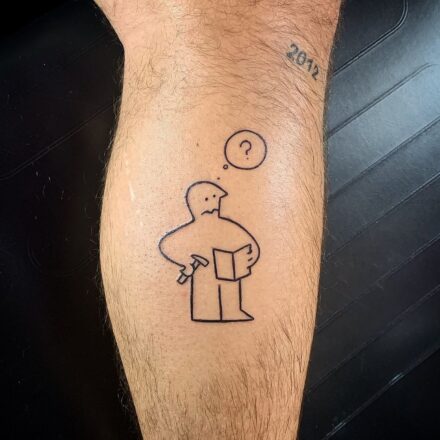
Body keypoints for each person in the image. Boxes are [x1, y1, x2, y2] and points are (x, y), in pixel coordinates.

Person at [96, 0, 342, 438]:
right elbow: (171, 245)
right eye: (209, 197)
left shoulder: (225, 227)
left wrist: (243, 260)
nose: (214, 202)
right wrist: (194, 261)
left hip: (229, 285)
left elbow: (248, 245)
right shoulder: (194, 230)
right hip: (206, 291)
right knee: (249, 25)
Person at [159, 181, 260, 322]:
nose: (212, 205)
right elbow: (167, 245)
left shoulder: (229, 227)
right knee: (206, 299)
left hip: (230, 271)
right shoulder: (191, 230)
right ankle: (205, 314)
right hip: (204, 275)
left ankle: (233, 312)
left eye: (215, 199)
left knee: (230, 296)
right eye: (207, 199)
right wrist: (187, 261)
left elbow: (252, 247)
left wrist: (246, 260)